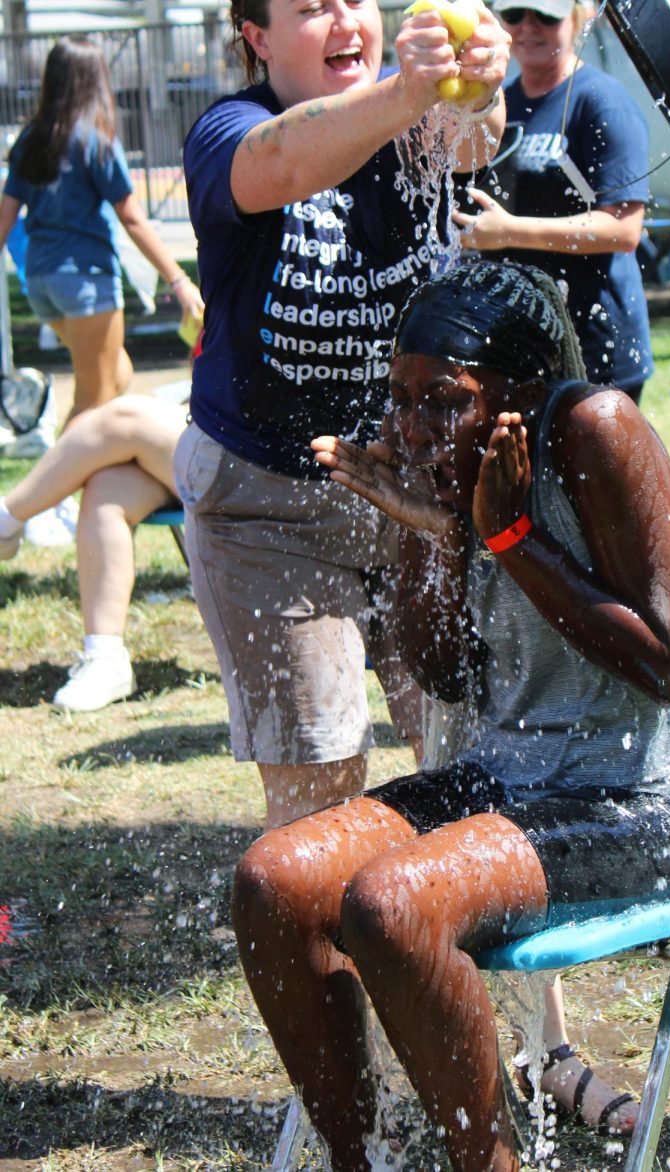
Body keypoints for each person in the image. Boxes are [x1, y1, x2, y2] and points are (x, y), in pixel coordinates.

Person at [232, 261, 670, 1171]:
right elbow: (446, 674)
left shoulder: (597, 429)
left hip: (651, 802)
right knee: (274, 880)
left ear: (522, 392)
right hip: (514, 780)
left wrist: (511, 538)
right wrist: (431, 528)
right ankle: (363, 1160)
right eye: (398, 398)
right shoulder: (467, 466)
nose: (410, 426)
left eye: (443, 401)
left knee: (391, 905)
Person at [177, 0, 508, 827]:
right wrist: (413, 90)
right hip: (266, 507)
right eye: (310, 6)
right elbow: (283, 163)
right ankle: (323, 942)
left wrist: (480, 82)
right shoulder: (229, 128)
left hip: (408, 499)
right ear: (257, 38)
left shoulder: (411, 115)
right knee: (323, 787)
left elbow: (476, 139)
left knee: (467, 749)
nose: (342, 19)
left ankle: (438, 941)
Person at [451, 0, 654, 403]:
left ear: (579, 16)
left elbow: (624, 229)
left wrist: (509, 231)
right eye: (514, 14)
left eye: (545, 14)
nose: (528, 27)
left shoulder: (600, 100)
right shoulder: (499, 103)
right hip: (522, 338)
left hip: (597, 340)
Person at [0, 37, 204, 426]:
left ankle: (82, 477)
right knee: (93, 402)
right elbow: (132, 218)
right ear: (95, 80)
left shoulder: (30, 139)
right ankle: (52, 487)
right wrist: (179, 281)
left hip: (42, 283)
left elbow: (5, 216)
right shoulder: (95, 141)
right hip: (86, 282)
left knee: (118, 375)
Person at [0, 394, 187, 709]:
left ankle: (6, 521)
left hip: (268, 463)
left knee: (123, 418)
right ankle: (105, 656)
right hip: (215, 440)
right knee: (108, 489)